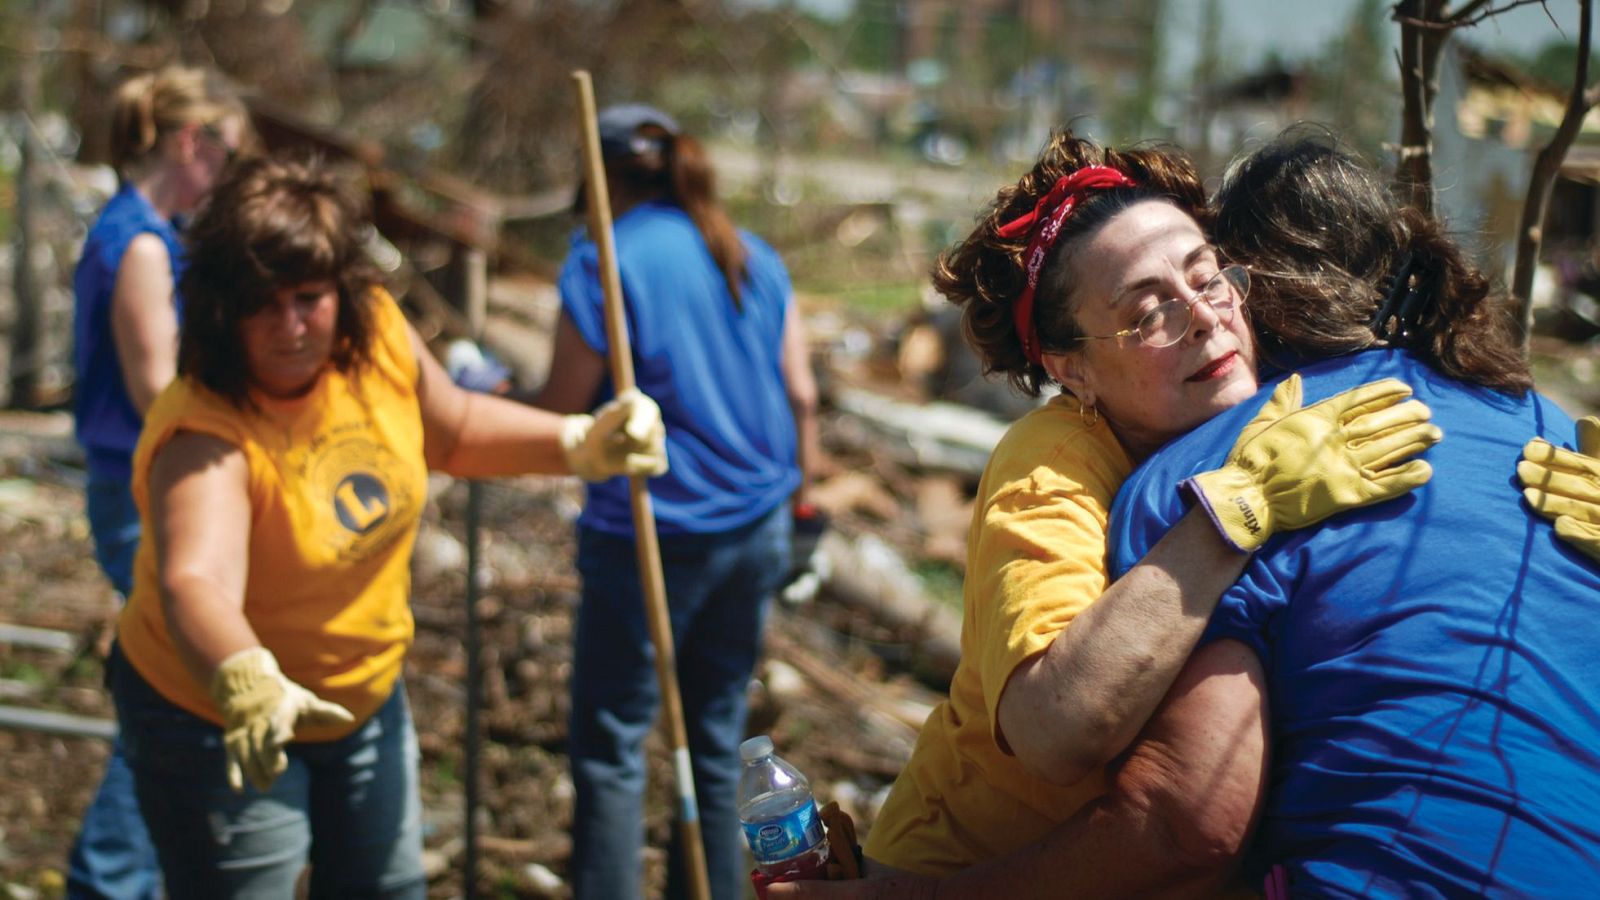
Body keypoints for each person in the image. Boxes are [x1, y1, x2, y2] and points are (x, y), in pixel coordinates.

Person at [799, 131, 1600, 899]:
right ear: (1069, 368)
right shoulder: (1063, 466)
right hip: (970, 871)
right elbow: (1065, 737)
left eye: (1208, 276)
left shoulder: (1361, 438)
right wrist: (1232, 512)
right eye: (1147, 312)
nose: (1203, 316)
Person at [108, 154, 669, 899]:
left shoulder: (372, 331)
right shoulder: (208, 429)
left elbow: (456, 431)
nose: (291, 324)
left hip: (364, 697)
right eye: (261, 303)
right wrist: (245, 677)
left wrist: (576, 442)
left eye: (309, 297)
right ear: (220, 306)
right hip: (216, 719)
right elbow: (196, 579)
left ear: (341, 288)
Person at [529, 103, 819, 900]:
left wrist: (490, 394)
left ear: (600, 179)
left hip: (657, 533)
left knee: (614, 744)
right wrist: (808, 505)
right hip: (756, 520)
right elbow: (800, 393)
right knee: (717, 737)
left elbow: (563, 404)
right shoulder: (749, 252)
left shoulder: (604, 259)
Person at [68, 63, 251, 900]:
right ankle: (109, 878)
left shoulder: (141, 229)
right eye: (227, 157)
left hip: (130, 488)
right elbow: (157, 391)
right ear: (190, 142)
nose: (226, 178)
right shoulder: (140, 243)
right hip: (136, 494)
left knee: (168, 695)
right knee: (167, 698)